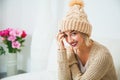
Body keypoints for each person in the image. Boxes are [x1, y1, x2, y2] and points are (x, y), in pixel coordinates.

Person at [56, 0, 118, 80]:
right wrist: (61, 49)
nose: (70, 40)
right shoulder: (70, 50)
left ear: (84, 32)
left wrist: (72, 61)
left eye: (74, 33)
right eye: (65, 35)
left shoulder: (102, 55)